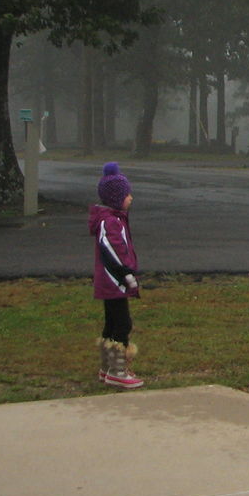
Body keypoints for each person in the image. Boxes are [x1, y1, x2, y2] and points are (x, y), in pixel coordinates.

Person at [89, 162, 144, 388]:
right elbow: (113, 252)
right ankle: (118, 370)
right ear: (116, 198)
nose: (130, 198)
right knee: (123, 323)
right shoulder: (111, 222)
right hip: (114, 282)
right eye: (127, 194)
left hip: (112, 282)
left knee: (111, 323)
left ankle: (108, 366)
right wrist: (126, 274)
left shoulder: (114, 220)